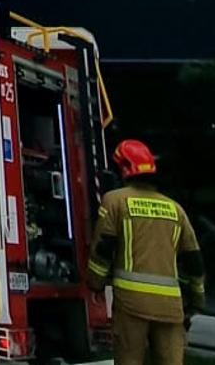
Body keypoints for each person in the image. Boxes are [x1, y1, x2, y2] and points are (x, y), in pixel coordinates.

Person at [88, 139, 205, 365]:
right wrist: (197, 300)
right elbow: (194, 260)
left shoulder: (115, 201)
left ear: (123, 169)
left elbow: (103, 250)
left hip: (131, 305)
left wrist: (95, 283)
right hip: (170, 308)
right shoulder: (175, 209)